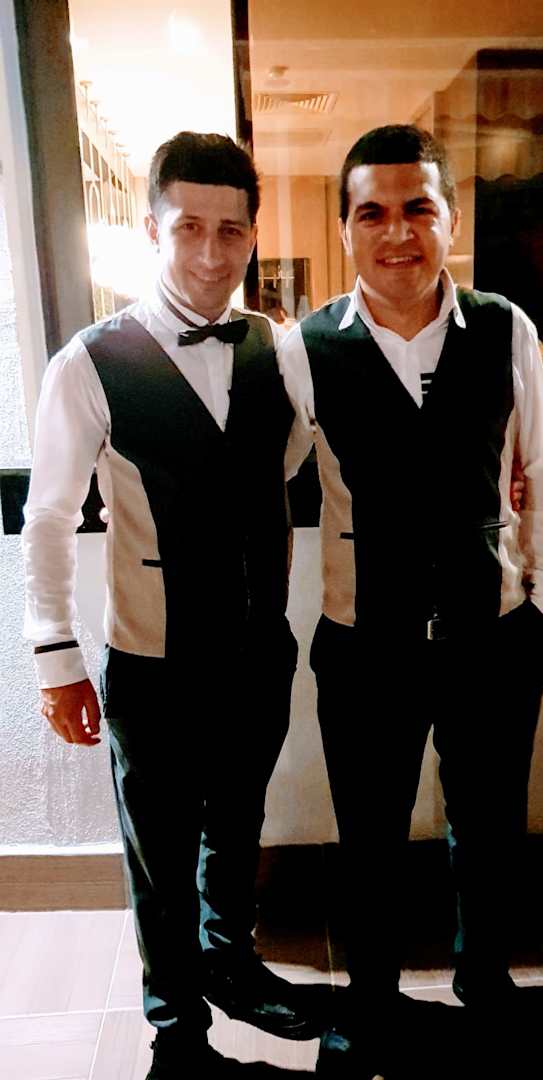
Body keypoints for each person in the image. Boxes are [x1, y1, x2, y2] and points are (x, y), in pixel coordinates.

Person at [22, 131, 322, 1079]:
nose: (209, 251)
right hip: (152, 659)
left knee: (237, 824)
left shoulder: (279, 346)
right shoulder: (89, 361)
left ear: (252, 237)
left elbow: (292, 461)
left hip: (258, 646)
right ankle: (176, 1030)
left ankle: (231, 963)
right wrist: (56, 658)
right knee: (159, 849)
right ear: (152, 229)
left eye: (231, 230)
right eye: (188, 226)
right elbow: (48, 516)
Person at [279, 124, 543, 1076]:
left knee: (488, 827)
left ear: (451, 220)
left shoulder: (505, 327)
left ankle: (485, 983)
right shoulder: (303, 349)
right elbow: (259, 477)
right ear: (346, 228)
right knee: (369, 834)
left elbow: (541, 471)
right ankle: (369, 1002)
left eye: (418, 209)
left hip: (495, 633)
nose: (397, 232)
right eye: (372, 213)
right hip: (365, 640)